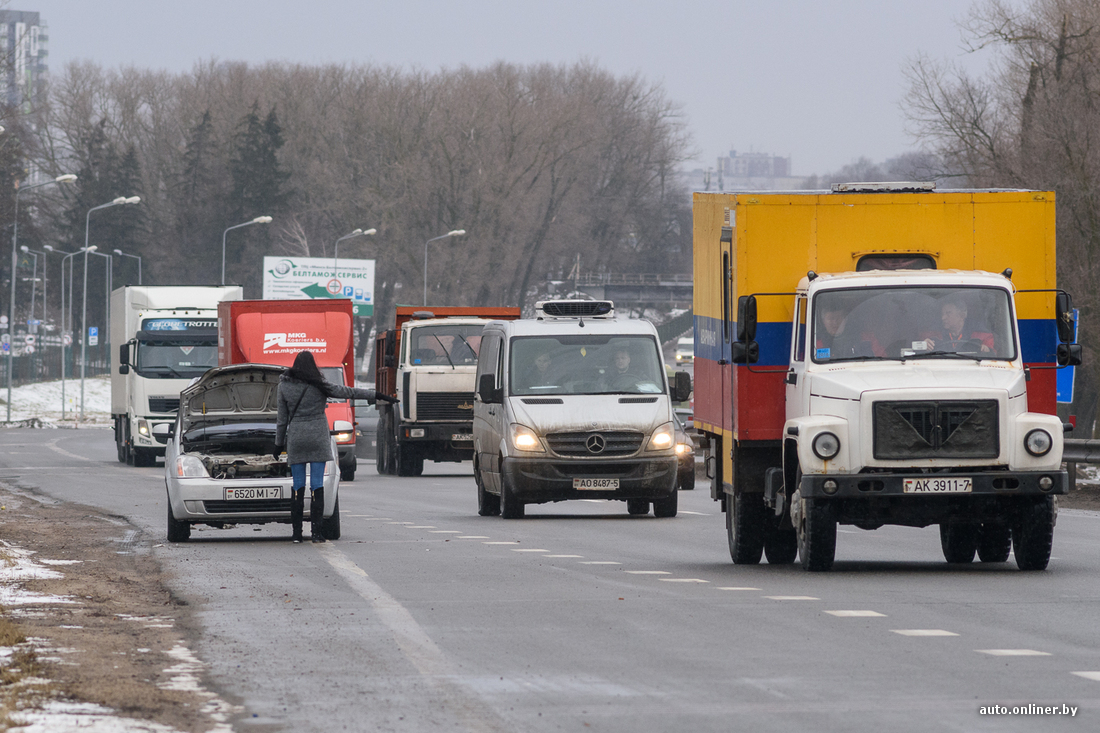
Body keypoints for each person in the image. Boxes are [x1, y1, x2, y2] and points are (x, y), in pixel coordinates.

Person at [275, 351, 396, 543]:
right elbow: (349, 392)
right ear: (313, 366)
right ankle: (316, 534)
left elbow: (281, 420)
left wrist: (278, 444)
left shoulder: (284, 386)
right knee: (317, 485)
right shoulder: (320, 385)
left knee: (298, 486)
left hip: (297, 438)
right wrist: (378, 395)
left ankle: (297, 534)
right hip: (317, 437)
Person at [921, 298, 994, 353]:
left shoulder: (981, 335)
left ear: (962, 315)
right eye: (942, 314)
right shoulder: (934, 333)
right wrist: (924, 344)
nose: (943, 318)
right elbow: (917, 349)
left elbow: (992, 356)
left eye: (948, 313)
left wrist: (987, 350)